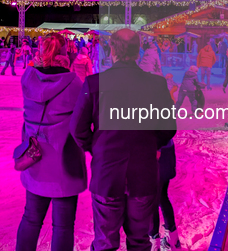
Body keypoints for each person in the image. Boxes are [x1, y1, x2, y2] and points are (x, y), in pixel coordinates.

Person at [70, 28, 177, 250]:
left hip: (107, 174)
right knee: (139, 241)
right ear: (138, 52)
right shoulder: (156, 85)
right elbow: (168, 127)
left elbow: (77, 128)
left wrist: (97, 147)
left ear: (112, 51)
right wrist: (150, 145)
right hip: (143, 173)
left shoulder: (94, 83)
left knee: (105, 242)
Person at [15, 33, 86, 250]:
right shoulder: (74, 83)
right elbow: (82, 123)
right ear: (66, 53)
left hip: (35, 158)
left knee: (31, 218)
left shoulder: (28, 78)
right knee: (63, 226)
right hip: (64, 163)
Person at [149, 139, 180, 250]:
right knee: (161, 195)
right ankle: (172, 238)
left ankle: (154, 243)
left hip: (155, 155)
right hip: (166, 152)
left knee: (152, 199)